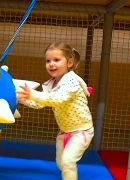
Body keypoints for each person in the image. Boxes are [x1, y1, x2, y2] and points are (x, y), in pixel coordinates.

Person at [16, 43, 94, 180]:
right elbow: (40, 103)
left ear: (69, 62)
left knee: (67, 161)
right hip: (64, 131)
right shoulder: (50, 84)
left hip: (82, 130)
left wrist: (32, 94)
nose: (51, 64)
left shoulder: (72, 81)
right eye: (48, 61)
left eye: (56, 60)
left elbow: (57, 99)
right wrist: (24, 100)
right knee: (61, 164)